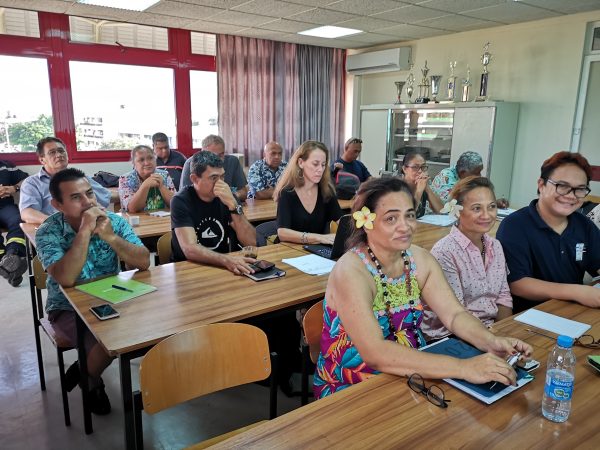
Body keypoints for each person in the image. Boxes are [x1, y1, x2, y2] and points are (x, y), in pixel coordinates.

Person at [313, 177, 532, 399]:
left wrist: (490, 341)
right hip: (352, 384)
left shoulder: (419, 259)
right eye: (391, 218)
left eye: (409, 215)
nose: (405, 226)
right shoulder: (351, 270)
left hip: (413, 369)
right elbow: (375, 353)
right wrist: (464, 367)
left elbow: (454, 315)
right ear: (366, 222)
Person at [35, 168, 150, 414]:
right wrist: (85, 231)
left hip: (114, 296)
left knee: (141, 330)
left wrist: (111, 237)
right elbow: (65, 278)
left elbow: (143, 262)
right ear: (58, 205)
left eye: (89, 194)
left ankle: (83, 372)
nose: (88, 202)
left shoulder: (114, 221)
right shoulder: (48, 231)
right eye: (76, 197)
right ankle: (92, 383)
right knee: (105, 341)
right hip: (67, 307)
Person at [497, 151, 600, 313]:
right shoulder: (514, 225)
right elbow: (517, 283)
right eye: (562, 186)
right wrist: (576, 292)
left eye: (580, 189)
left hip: (575, 311)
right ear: (541, 185)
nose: (570, 196)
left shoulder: (583, 225)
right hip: (528, 317)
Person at [422, 177, 513, 342]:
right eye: (477, 208)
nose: (487, 215)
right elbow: (456, 313)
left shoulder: (495, 245)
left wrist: (503, 331)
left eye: (491, 207)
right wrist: (490, 339)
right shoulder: (445, 252)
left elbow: (503, 296)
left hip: (490, 331)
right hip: (450, 336)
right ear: (457, 211)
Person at [170, 151, 257, 275]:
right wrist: (226, 260)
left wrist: (233, 205)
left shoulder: (228, 197)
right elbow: (190, 249)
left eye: (222, 177)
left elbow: (251, 242)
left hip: (221, 266)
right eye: (214, 178)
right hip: (188, 269)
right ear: (194, 179)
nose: (221, 183)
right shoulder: (180, 200)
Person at [19, 137, 112, 224]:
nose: (59, 155)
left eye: (61, 151)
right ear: (42, 160)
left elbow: (107, 195)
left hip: (90, 224)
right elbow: (27, 213)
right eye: (52, 152)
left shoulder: (79, 177)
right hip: (58, 230)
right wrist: (56, 223)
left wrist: (125, 195)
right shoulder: (32, 183)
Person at [274, 140, 343, 245]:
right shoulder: (287, 192)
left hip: (315, 251)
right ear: (301, 163)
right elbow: (282, 233)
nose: (320, 169)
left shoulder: (326, 191)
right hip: (289, 250)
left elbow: (342, 222)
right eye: (315, 164)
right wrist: (318, 238)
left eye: (323, 165)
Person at [180, 135, 248, 202]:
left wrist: (229, 196)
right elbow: (184, 197)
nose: (217, 159)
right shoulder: (190, 164)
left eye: (221, 155)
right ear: (202, 153)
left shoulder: (232, 161)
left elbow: (244, 193)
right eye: (211, 155)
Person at [118, 145, 175, 213]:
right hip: (136, 221)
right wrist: (145, 185)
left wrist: (161, 186)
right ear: (133, 163)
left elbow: (176, 204)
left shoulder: (165, 175)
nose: (147, 163)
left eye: (150, 158)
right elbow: (132, 209)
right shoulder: (125, 179)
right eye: (141, 160)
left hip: (162, 220)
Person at [0, 160, 28, 286]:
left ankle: (13, 254)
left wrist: (14, 188)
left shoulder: (6, 165)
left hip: (6, 207)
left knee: (18, 220)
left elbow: (27, 180)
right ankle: (9, 266)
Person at [400, 150, 443, 218]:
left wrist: (427, 189)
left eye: (423, 167)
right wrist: (419, 191)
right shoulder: (397, 189)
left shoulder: (423, 186)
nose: (420, 171)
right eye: (415, 167)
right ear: (404, 169)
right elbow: (407, 217)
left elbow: (442, 212)